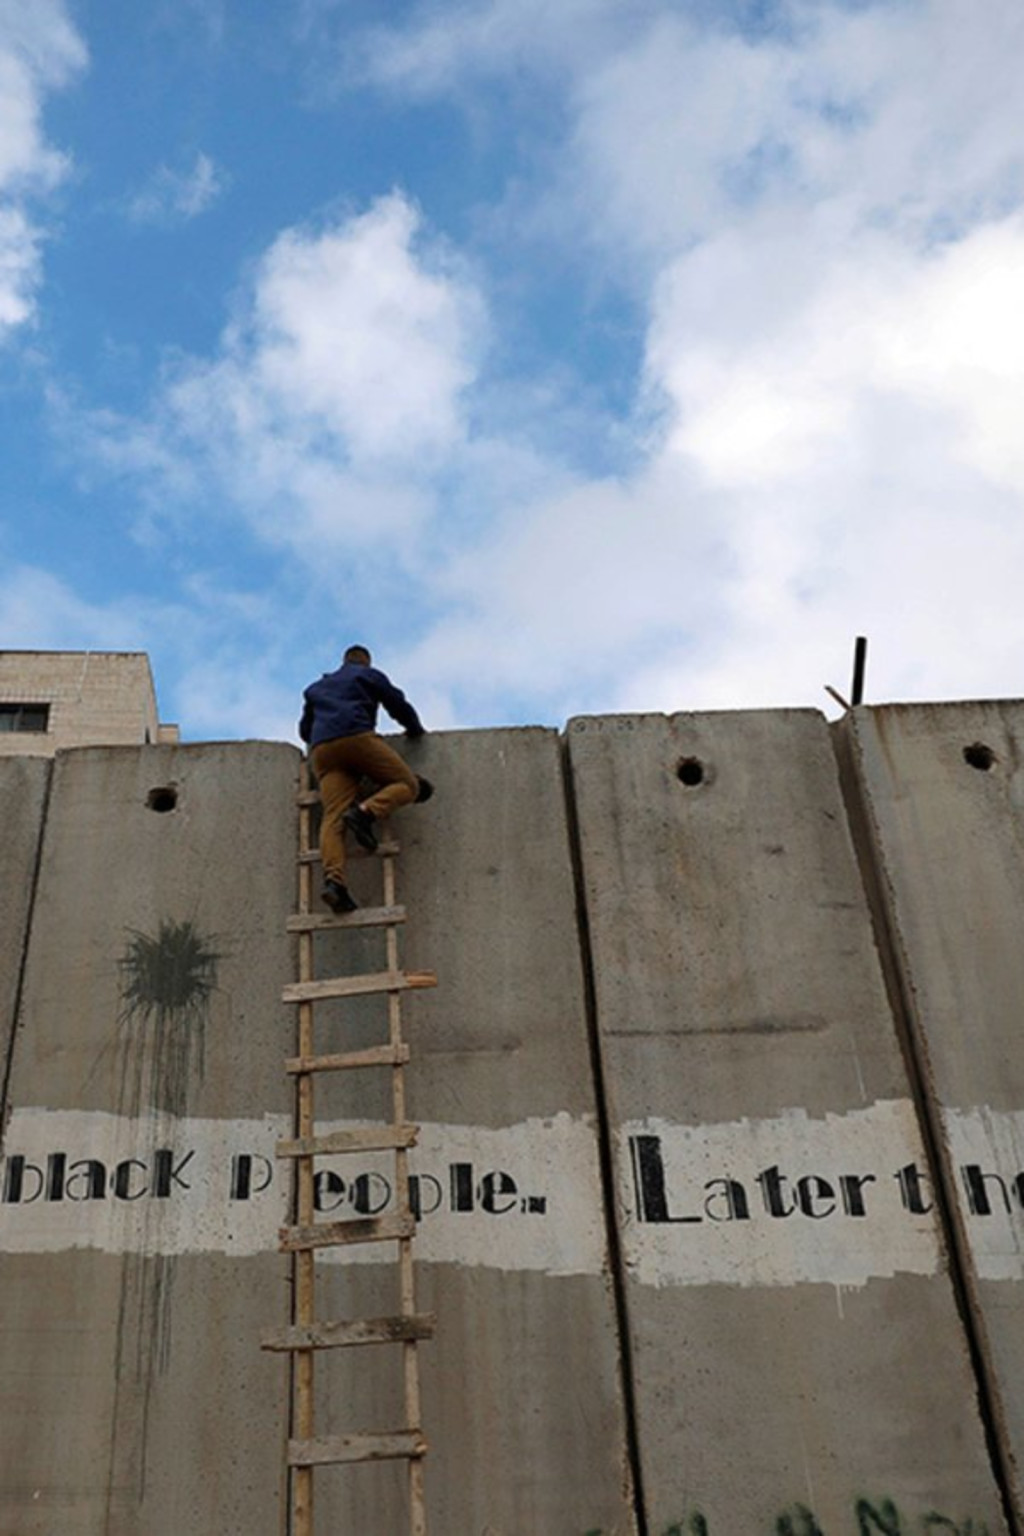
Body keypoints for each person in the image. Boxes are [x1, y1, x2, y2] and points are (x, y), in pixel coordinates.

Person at [299, 645, 428, 913]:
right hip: (356, 737)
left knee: (332, 817)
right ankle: (365, 812)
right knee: (409, 785)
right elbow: (397, 705)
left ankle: (334, 884)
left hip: (322, 751)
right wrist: (415, 730)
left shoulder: (316, 688)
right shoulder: (368, 676)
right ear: (365, 662)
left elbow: (304, 731)